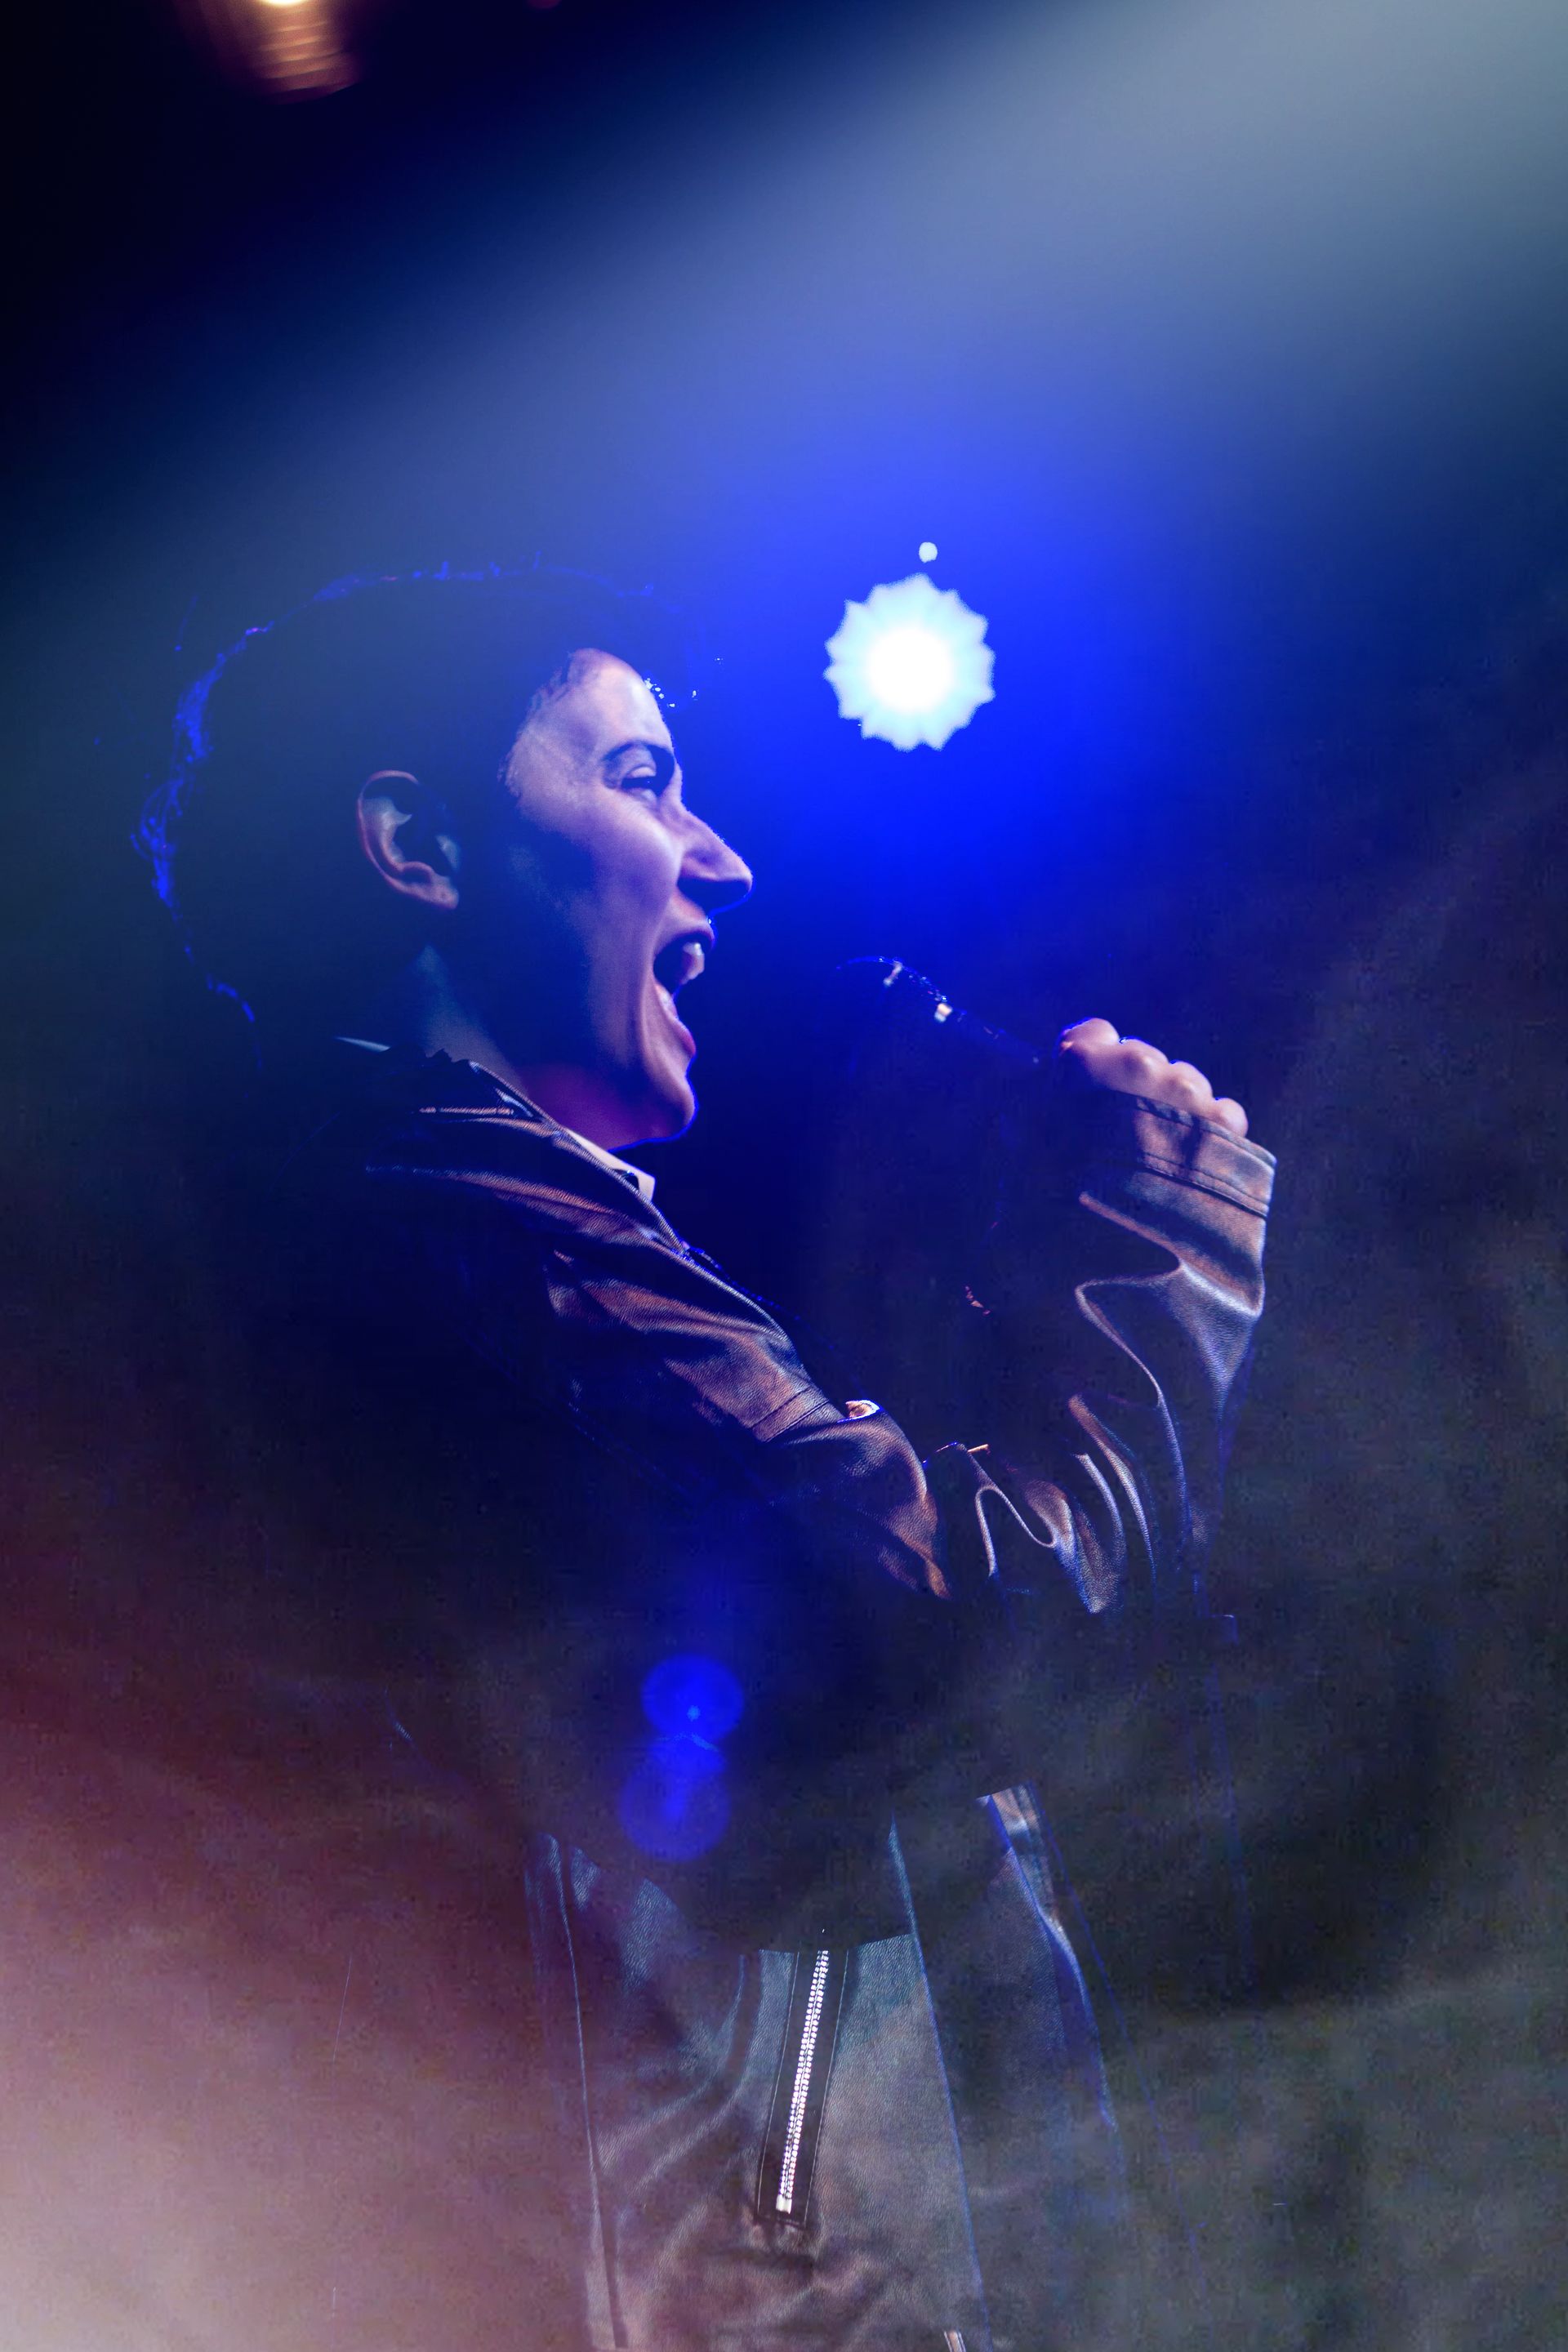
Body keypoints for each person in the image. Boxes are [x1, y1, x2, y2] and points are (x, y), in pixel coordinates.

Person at [133, 565, 1273, 2352]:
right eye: (647, 778)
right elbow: (973, 1619)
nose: (722, 859)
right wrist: (1161, 1239)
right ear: (421, 848)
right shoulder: (484, 1241)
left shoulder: (454, 1250)